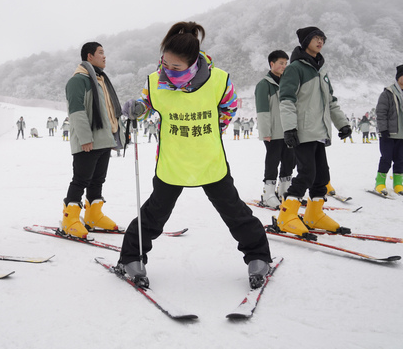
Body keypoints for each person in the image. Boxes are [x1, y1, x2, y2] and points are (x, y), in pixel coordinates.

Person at [118, 21, 272, 289]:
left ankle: (258, 255)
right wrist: (137, 107)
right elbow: (146, 104)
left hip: (209, 159)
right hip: (172, 161)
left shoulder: (219, 80)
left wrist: (213, 131)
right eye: (164, 63)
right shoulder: (155, 82)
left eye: (175, 67)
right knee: (155, 213)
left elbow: (229, 108)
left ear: (193, 63)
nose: (167, 70)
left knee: (233, 211)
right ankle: (131, 257)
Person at [276, 26, 352, 238]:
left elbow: (331, 102)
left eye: (322, 38)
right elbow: (287, 100)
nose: (320, 41)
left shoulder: (322, 71)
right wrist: (290, 128)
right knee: (307, 173)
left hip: (320, 131)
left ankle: (314, 215)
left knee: (322, 176)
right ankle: (286, 216)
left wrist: (342, 124)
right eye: (316, 38)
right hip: (302, 131)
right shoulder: (295, 69)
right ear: (306, 41)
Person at [61, 42, 125, 239]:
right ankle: (69, 220)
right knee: (81, 180)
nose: (104, 57)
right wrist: (85, 138)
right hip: (88, 141)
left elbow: (108, 110)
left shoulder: (101, 80)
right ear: (89, 56)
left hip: (104, 139)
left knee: (98, 180)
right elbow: (76, 111)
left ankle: (93, 217)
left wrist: (117, 134)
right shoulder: (78, 81)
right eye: (101, 53)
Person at [254, 50, 295, 209]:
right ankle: (268, 193)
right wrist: (266, 132)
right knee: (273, 162)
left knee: (289, 161)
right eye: (281, 63)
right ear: (272, 64)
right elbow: (262, 110)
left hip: (288, 131)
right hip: (273, 132)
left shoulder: (288, 83)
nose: (284, 66)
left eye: (286, 63)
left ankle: (284, 190)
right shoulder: (264, 85)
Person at [374, 64, 403, 196]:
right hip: (389, 133)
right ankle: (380, 183)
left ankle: (398, 184)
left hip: (402, 135)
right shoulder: (388, 93)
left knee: (400, 159)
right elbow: (381, 112)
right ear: (398, 77)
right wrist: (383, 129)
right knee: (386, 158)